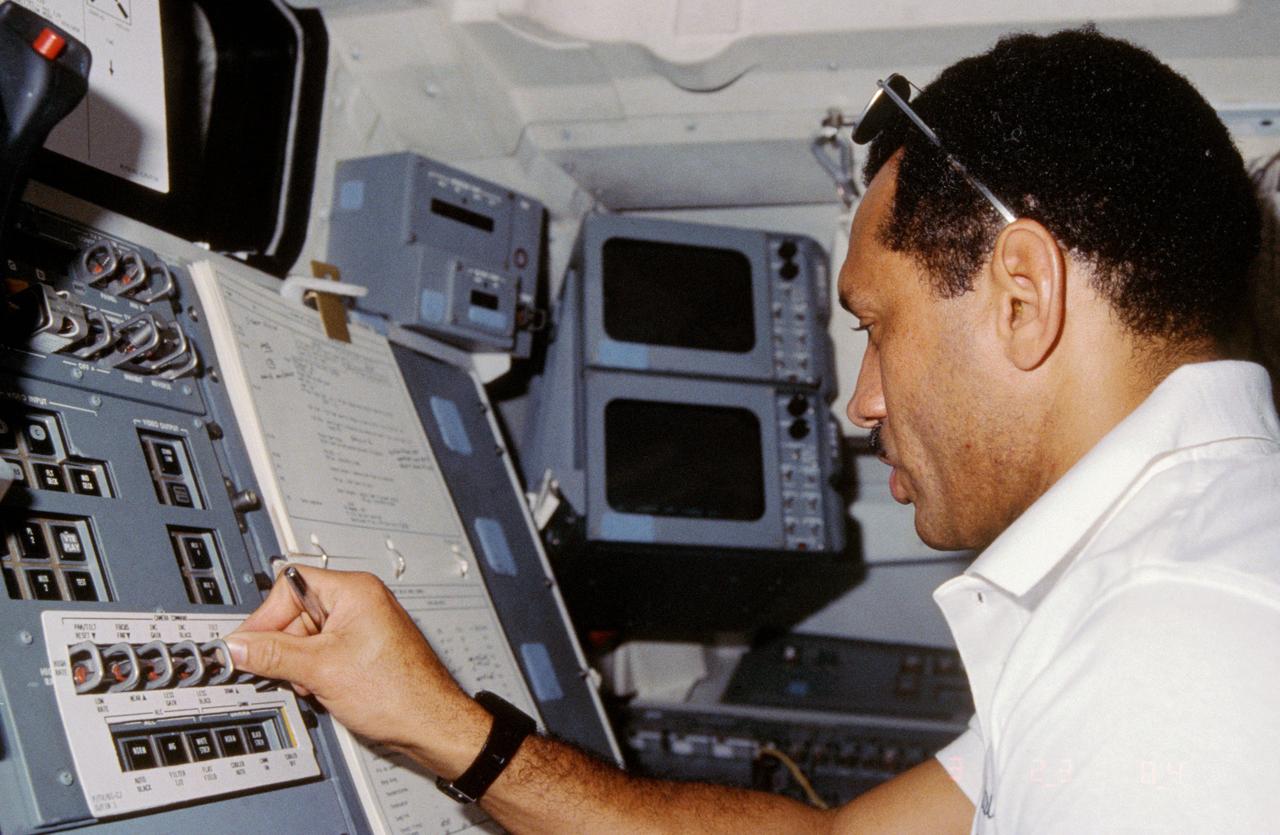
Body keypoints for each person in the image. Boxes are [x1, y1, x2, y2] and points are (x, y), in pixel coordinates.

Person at [226, 27, 1280, 833]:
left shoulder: (1174, 649)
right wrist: (441, 724)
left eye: (876, 325)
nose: (859, 403)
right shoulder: (1170, 578)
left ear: (1020, 295)